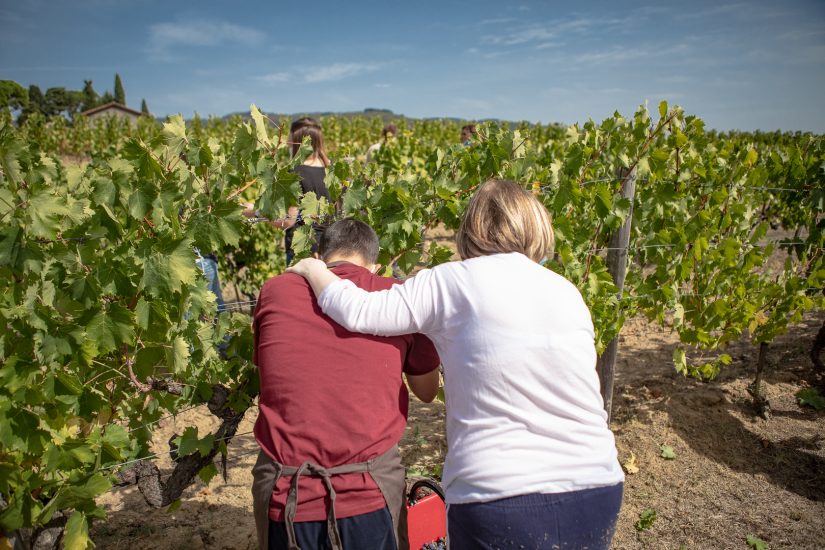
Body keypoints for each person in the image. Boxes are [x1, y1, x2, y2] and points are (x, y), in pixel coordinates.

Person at [287, 179, 625, 550]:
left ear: (471, 229)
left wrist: (313, 269)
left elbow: (359, 311)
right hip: (597, 483)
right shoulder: (566, 291)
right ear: (536, 226)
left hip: (500, 494)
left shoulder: (450, 281)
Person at [251, 218, 441, 550]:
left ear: (318, 258)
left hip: (286, 496)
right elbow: (426, 392)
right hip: (368, 494)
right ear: (376, 266)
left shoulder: (274, 291)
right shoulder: (398, 297)